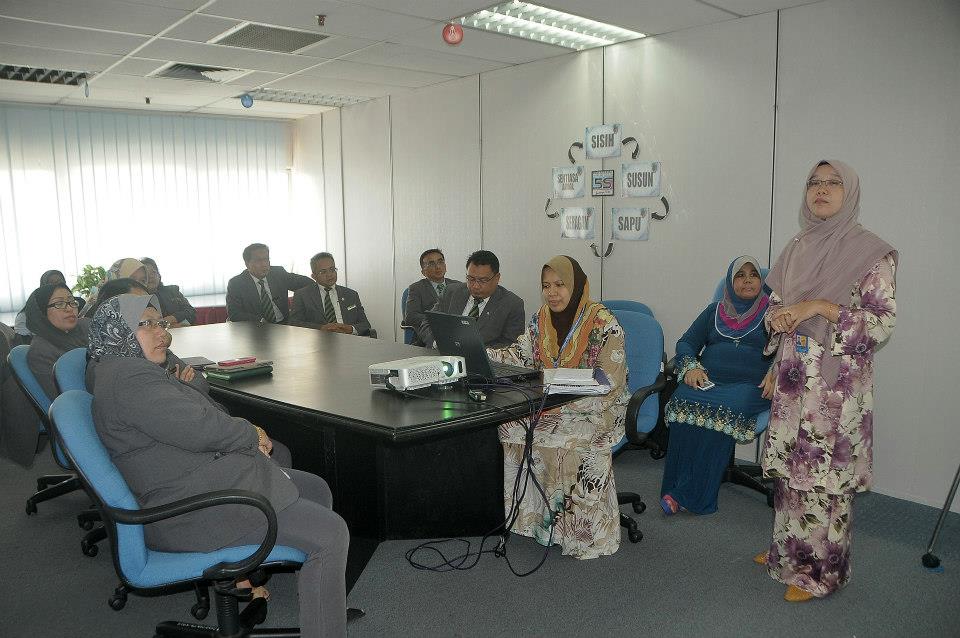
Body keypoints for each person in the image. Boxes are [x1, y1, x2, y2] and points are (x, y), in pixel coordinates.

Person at [87, 294, 351, 636]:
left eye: (160, 323)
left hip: (195, 481)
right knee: (331, 533)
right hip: (189, 511)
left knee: (315, 488)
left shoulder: (125, 369)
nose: (161, 333)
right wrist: (251, 432)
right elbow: (201, 428)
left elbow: (198, 415)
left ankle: (320, 601)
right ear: (117, 331)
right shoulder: (130, 380)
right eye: (145, 324)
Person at [757, 160, 897, 602]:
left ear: (849, 192)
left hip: (835, 387)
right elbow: (776, 304)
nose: (821, 190)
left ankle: (820, 573)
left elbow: (879, 325)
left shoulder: (870, 252)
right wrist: (779, 319)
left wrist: (818, 306)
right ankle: (787, 552)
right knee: (791, 470)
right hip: (793, 377)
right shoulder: (798, 245)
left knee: (823, 477)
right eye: (814, 183)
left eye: (833, 183)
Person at [488, 256, 629, 559]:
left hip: (596, 407)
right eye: (546, 286)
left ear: (576, 286)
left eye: (560, 285)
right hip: (550, 402)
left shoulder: (604, 323)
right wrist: (483, 354)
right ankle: (534, 522)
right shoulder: (540, 319)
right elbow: (520, 355)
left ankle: (583, 534)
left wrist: (565, 404)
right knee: (510, 425)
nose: (552, 293)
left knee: (571, 439)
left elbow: (611, 382)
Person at [660, 256, 773, 515]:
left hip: (750, 386)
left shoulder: (774, 314)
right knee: (682, 398)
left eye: (753, 275)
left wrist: (776, 371)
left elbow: (788, 349)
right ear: (730, 282)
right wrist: (691, 367)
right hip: (709, 381)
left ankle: (691, 496)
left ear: (761, 281)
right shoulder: (714, 311)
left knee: (723, 411)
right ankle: (676, 486)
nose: (747, 280)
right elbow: (686, 342)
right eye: (740, 275)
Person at [417, 250, 525, 349]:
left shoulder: (512, 304)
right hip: (442, 355)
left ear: (497, 278)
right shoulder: (451, 292)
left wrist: (477, 351)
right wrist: (437, 343)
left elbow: (510, 344)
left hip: (482, 361)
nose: (475, 286)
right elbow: (428, 322)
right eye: (471, 279)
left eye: (483, 280)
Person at [24, 283, 89, 400]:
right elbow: (67, 398)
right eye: (59, 304)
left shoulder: (86, 326)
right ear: (42, 312)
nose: (69, 308)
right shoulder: (41, 351)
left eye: (72, 302)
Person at [226, 243, 313, 323]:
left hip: (284, 324)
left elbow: (306, 283)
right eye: (259, 260)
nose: (264, 264)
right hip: (257, 327)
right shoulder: (236, 284)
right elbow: (234, 314)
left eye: (266, 259)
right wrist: (260, 320)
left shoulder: (278, 273)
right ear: (247, 264)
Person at [290, 253, 372, 336]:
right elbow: (294, 323)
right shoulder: (302, 295)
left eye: (332, 269)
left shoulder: (351, 294)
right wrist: (320, 328)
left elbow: (365, 324)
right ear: (314, 276)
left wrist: (350, 329)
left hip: (349, 339)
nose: (329, 275)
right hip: (318, 340)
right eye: (323, 272)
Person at [403, 249, 460, 346]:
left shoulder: (458, 286)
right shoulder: (416, 288)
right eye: (432, 264)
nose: (438, 267)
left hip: (456, 335)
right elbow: (411, 317)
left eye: (440, 262)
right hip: (428, 338)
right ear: (423, 271)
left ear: (445, 266)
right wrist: (438, 319)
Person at [14, 270, 84, 342]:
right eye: (52, 283)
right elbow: (23, 344)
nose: (56, 286)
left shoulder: (74, 305)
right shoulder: (24, 316)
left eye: (61, 282)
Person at [80, 258, 148, 317]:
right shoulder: (97, 315)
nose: (138, 285)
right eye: (132, 279)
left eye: (143, 281)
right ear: (116, 279)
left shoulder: (147, 310)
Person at [140, 257, 197, 327]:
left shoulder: (173, 291)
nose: (151, 276)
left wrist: (172, 319)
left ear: (159, 276)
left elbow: (191, 312)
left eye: (153, 272)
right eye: (146, 274)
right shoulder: (137, 300)